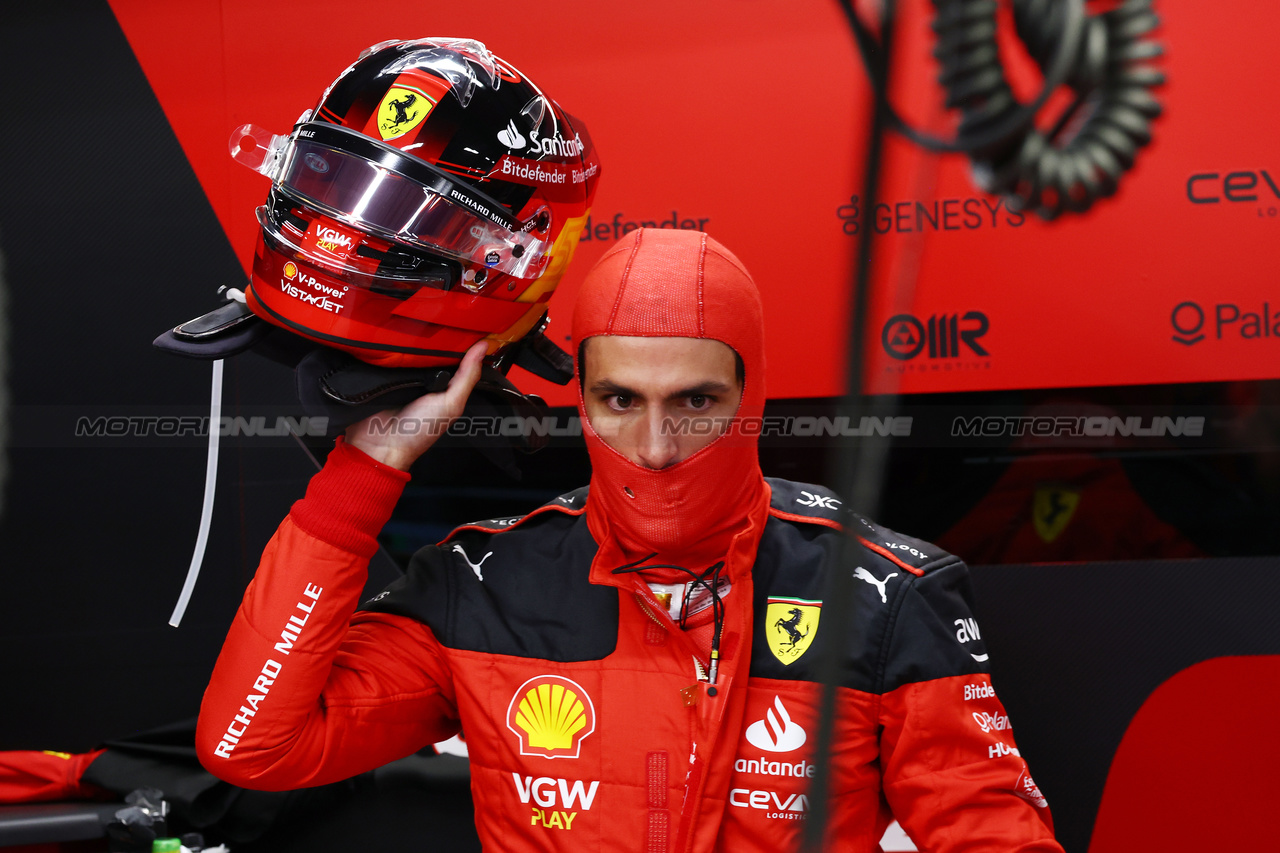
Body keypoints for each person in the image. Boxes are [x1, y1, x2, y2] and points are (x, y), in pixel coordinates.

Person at [196, 225, 1063, 851]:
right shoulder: (484, 583)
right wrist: (364, 472)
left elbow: (997, 837)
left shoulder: (882, 591)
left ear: (749, 395)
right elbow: (251, 745)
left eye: (694, 401)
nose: (654, 447)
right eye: (620, 401)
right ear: (581, 396)